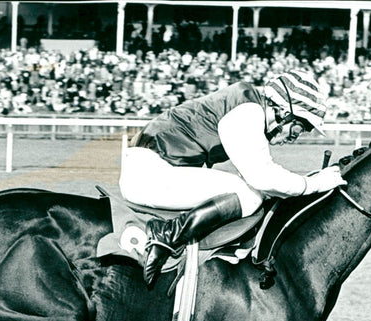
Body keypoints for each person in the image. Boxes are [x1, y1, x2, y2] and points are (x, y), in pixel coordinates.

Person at [119, 69, 347, 286]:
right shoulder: (248, 111)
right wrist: (313, 183)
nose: (296, 137)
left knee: (247, 191)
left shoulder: (246, 103)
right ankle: (166, 235)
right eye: (300, 127)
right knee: (248, 195)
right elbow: (261, 177)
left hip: (154, 166)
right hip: (151, 173)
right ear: (285, 113)